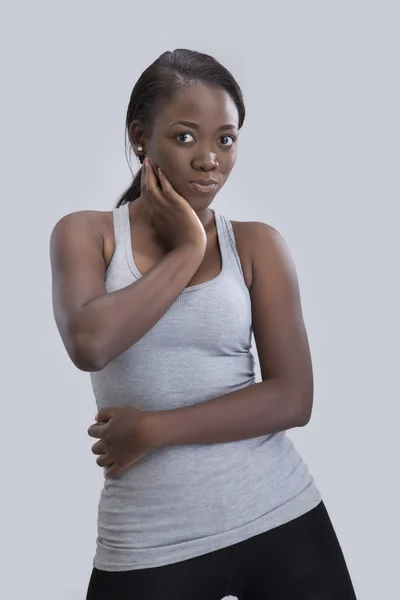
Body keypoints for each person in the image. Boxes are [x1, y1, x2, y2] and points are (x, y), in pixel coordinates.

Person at [50, 49, 357, 600]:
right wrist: (188, 247)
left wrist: (153, 430)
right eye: (186, 137)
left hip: (280, 514)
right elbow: (91, 343)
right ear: (141, 137)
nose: (210, 159)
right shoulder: (87, 235)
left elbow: (293, 398)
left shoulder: (257, 244)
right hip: (149, 540)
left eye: (226, 139)